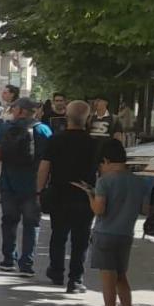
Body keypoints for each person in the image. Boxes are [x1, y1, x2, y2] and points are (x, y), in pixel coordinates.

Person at [76, 141, 151, 306]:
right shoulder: (138, 182)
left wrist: (90, 195)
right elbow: (144, 209)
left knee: (107, 279)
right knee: (121, 277)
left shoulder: (105, 181)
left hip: (105, 234)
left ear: (106, 160)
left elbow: (99, 210)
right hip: (126, 234)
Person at [36, 100, 98, 292]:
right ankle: (76, 279)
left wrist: (39, 191)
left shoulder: (56, 139)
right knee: (81, 239)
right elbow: (101, 171)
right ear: (87, 118)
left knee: (58, 235)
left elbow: (44, 166)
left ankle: (56, 272)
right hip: (85, 196)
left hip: (59, 194)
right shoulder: (94, 143)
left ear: (67, 117)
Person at [0, 97, 49, 275]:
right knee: (31, 225)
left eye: (15, 108)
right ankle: (26, 264)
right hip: (33, 186)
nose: (13, 110)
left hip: (8, 183)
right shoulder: (43, 130)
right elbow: (48, 161)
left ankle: (8, 260)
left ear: (21, 111)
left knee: (9, 222)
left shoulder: (6, 128)